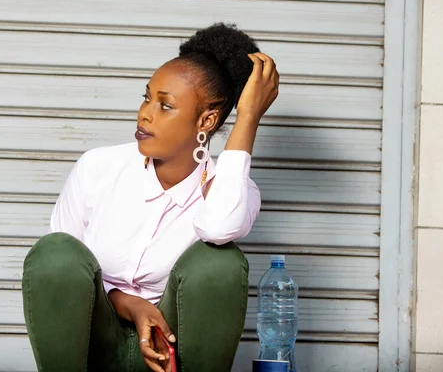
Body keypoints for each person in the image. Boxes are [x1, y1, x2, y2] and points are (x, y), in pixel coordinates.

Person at [22, 23, 279, 372]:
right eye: (146, 97)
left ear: (207, 119)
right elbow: (62, 273)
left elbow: (219, 227)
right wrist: (134, 306)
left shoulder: (232, 190)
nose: (145, 113)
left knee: (221, 262)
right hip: (90, 348)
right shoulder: (98, 167)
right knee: (55, 252)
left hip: (172, 351)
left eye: (165, 106)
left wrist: (247, 116)